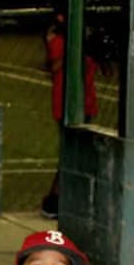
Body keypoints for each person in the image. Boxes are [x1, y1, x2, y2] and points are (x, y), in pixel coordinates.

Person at [40, 14, 100, 219]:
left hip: (85, 101)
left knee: (81, 153)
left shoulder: (86, 42)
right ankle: (54, 200)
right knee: (71, 153)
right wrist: (73, 49)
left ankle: (64, 199)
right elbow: (54, 67)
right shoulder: (59, 40)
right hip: (66, 102)